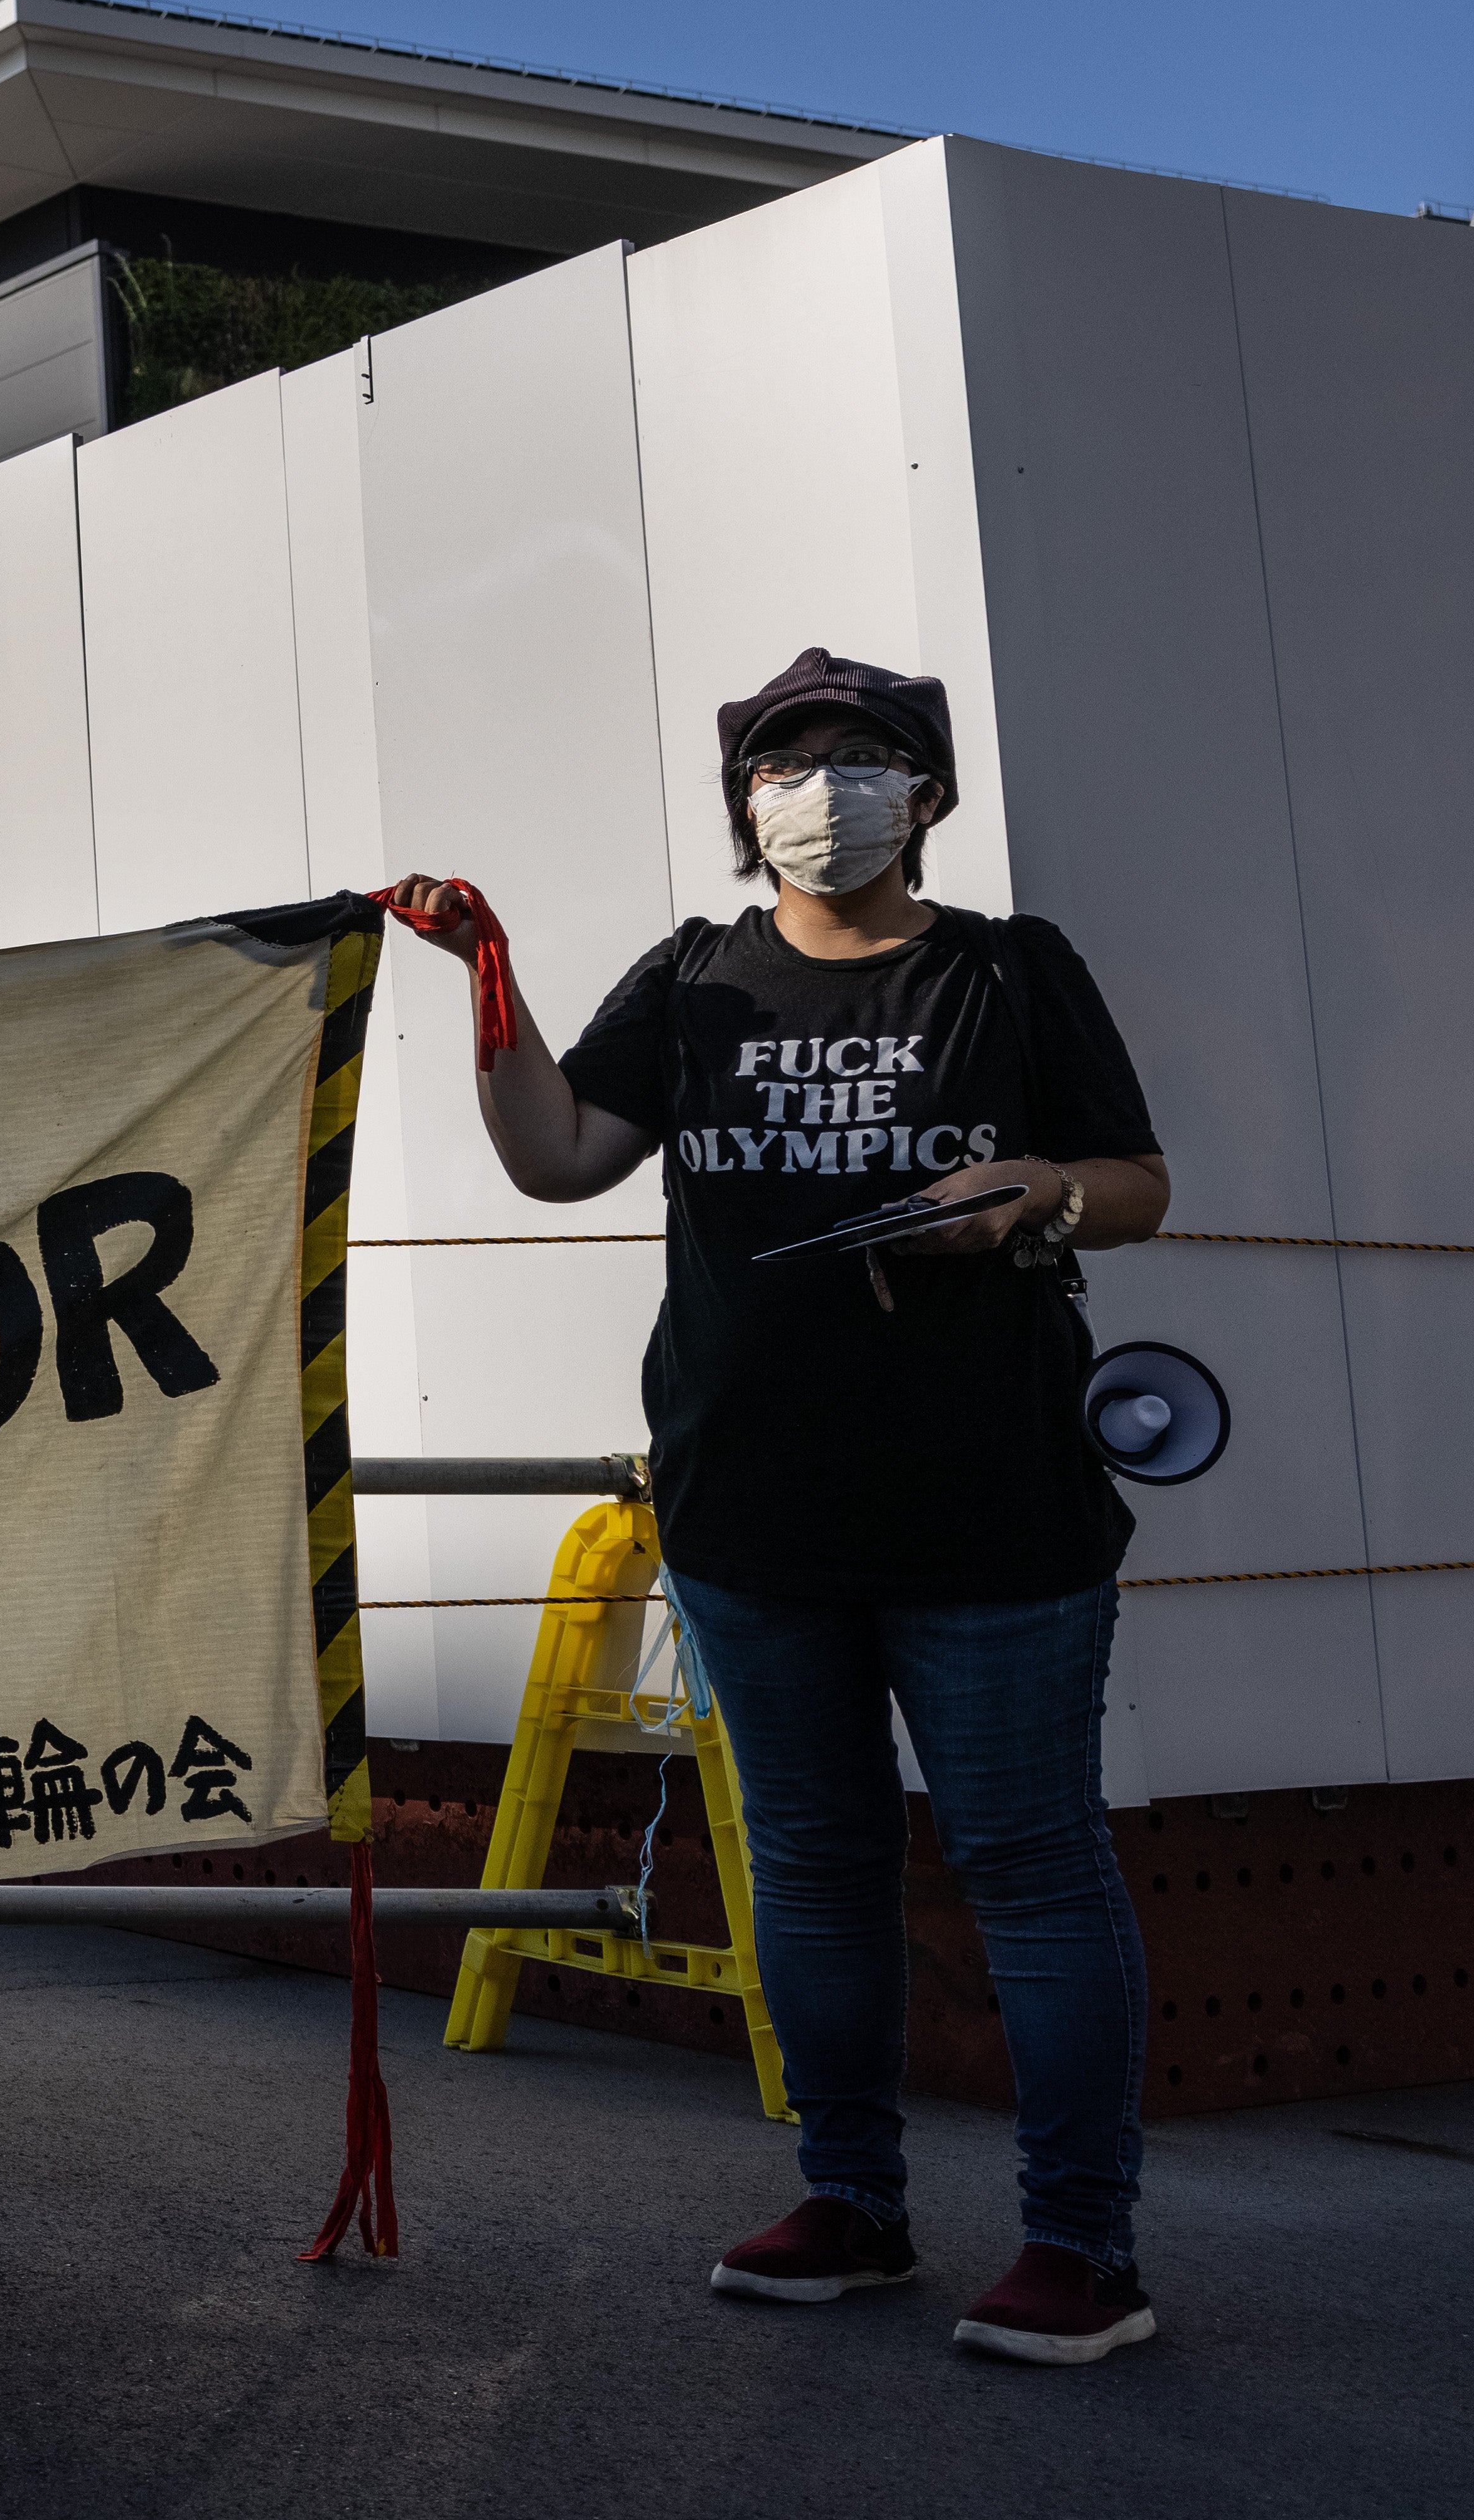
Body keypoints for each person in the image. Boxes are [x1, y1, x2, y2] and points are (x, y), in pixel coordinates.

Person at [385, 647, 1171, 2367]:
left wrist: (1038, 1189)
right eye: (789, 757)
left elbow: (1138, 1182)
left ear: (927, 790)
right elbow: (560, 1151)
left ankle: (1083, 2244)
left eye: (865, 752)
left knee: (1031, 1866)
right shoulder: (693, 983)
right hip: (751, 1510)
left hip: (996, 1511)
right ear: (746, 804)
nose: (825, 782)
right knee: (814, 1865)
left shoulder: (1009, 971)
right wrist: (487, 983)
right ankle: (852, 2201)